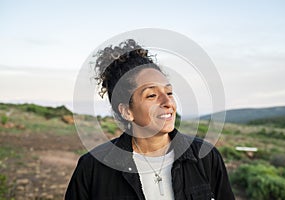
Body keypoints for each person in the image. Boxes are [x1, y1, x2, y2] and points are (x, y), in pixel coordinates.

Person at [65, 39, 235, 200]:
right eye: (152, 95)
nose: (168, 102)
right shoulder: (92, 168)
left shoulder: (206, 157)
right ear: (126, 111)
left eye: (169, 93)